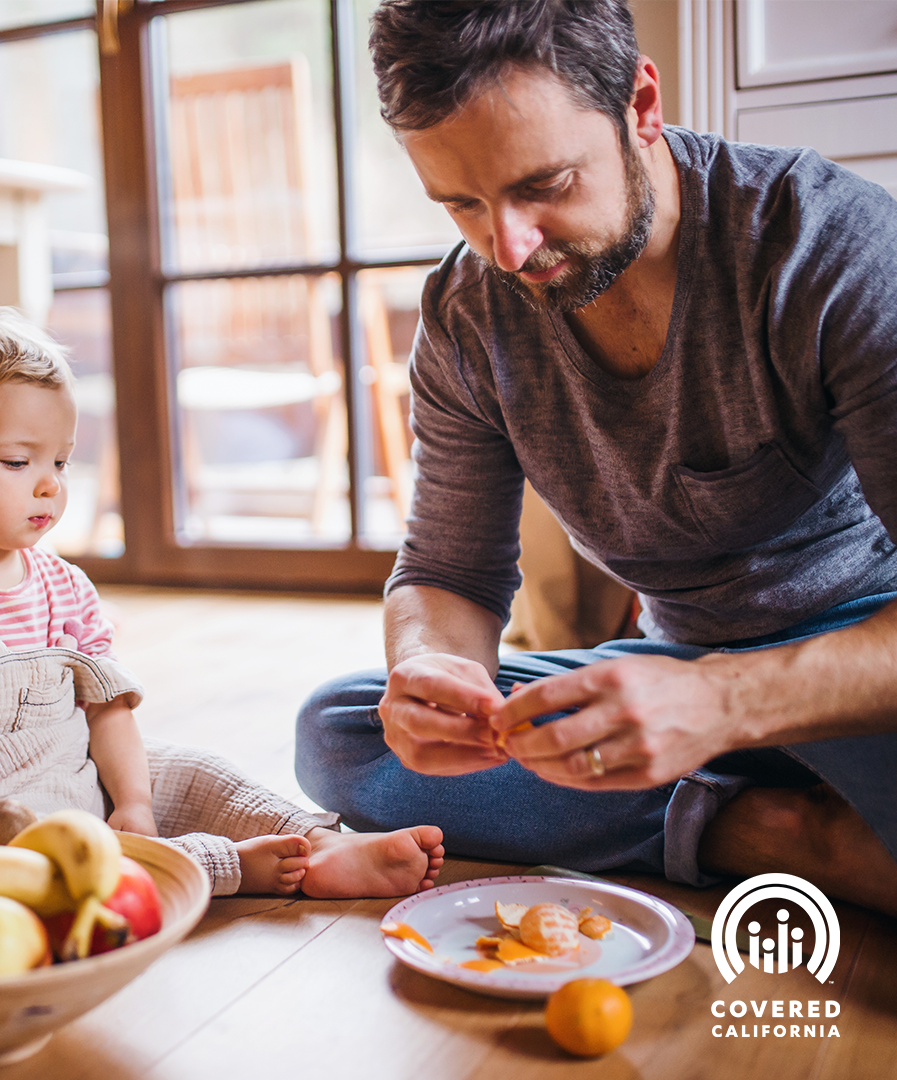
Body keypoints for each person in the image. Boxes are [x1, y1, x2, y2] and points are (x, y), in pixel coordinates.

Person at [295, 0, 897, 916]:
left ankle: (730, 814)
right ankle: (777, 833)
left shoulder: (828, 249)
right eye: (461, 202)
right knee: (342, 734)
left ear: (640, 105)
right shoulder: (465, 314)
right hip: (671, 676)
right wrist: (435, 673)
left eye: (546, 183)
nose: (508, 246)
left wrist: (727, 704)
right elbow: (448, 569)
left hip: (855, 672)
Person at [0, 309, 444, 899]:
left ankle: (315, 840)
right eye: (18, 462)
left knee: (196, 772)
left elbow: (108, 710)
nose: (50, 484)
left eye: (60, 461)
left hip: (74, 767)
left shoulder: (63, 585)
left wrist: (136, 802)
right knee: (62, 855)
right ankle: (233, 867)